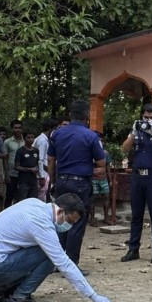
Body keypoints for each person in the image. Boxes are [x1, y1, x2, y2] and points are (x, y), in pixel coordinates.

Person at [0, 192, 112, 302]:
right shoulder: (41, 223)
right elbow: (63, 263)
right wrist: (93, 296)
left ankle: (0, 289)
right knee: (50, 256)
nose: (69, 226)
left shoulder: (34, 203)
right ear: (60, 212)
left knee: (46, 251)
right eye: (69, 221)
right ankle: (19, 298)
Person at [48, 100, 105, 271]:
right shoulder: (90, 136)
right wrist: (89, 169)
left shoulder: (57, 134)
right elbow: (101, 163)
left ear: (70, 115)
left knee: (59, 221)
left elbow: (51, 160)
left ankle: (56, 262)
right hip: (80, 183)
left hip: (62, 181)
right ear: (87, 115)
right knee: (76, 223)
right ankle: (71, 264)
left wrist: (53, 180)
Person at [120, 103, 152, 264]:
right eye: (146, 117)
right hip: (137, 177)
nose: (148, 120)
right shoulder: (136, 132)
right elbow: (124, 149)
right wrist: (134, 132)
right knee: (136, 215)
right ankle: (133, 249)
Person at [91, 131, 114, 225]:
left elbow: (108, 167)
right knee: (93, 198)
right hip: (93, 178)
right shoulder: (90, 153)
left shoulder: (105, 153)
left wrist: (110, 180)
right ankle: (92, 218)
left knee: (106, 197)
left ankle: (106, 218)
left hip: (103, 178)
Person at [33, 119, 58, 201]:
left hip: (44, 172)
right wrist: (42, 176)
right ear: (50, 128)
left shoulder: (42, 139)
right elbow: (40, 159)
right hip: (43, 173)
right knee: (41, 196)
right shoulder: (42, 141)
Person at [3, 119, 24, 208]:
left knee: (21, 198)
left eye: (19, 128)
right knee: (9, 197)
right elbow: (5, 159)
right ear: (12, 129)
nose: (18, 130)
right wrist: (6, 175)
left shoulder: (26, 141)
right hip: (11, 174)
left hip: (23, 174)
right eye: (15, 128)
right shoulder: (7, 142)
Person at [15, 132, 41, 201]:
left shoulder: (36, 150)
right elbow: (16, 167)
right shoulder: (20, 151)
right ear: (24, 138)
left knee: (33, 201)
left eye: (32, 138)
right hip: (23, 182)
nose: (31, 139)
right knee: (22, 201)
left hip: (33, 181)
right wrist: (30, 169)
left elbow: (37, 164)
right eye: (28, 138)